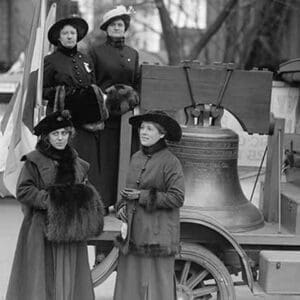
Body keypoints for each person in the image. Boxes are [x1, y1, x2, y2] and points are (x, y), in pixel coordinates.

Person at [6, 110, 104, 300]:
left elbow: (87, 188)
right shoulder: (34, 161)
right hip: (41, 228)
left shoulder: (78, 163)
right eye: (55, 134)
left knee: (70, 275)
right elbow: (24, 190)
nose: (60, 138)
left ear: (69, 135)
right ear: (46, 137)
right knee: (43, 276)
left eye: (64, 133)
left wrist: (86, 199)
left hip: (72, 230)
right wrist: (52, 201)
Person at [113, 110, 185, 300]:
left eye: (149, 129)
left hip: (157, 236)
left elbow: (177, 198)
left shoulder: (171, 162)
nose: (143, 132)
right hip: (134, 234)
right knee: (129, 286)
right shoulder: (136, 157)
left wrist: (143, 196)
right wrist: (121, 207)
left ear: (162, 134)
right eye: (142, 128)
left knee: (158, 288)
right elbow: (129, 190)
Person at [43, 16, 108, 199]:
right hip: (63, 122)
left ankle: (87, 200)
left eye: (73, 33)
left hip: (87, 122)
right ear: (59, 38)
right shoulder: (51, 60)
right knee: (65, 164)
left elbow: (93, 84)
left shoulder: (85, 58)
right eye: (65, 33)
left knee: (86, 162)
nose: (70, 36)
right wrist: (65, 94)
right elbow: (42, 90)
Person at [89, 5, 139, 212]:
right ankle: (104, 202)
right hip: (106, 115)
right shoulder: (96, 52)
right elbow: (92, 83)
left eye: (121, 25)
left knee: (126, 157)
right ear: (106, 28)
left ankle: (124, 203)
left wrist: (132, 99)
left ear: (125, 29)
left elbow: (137, 82)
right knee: (107, 160)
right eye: (113, 25)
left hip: (127, 117)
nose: (117, 28)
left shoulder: (132, 53)